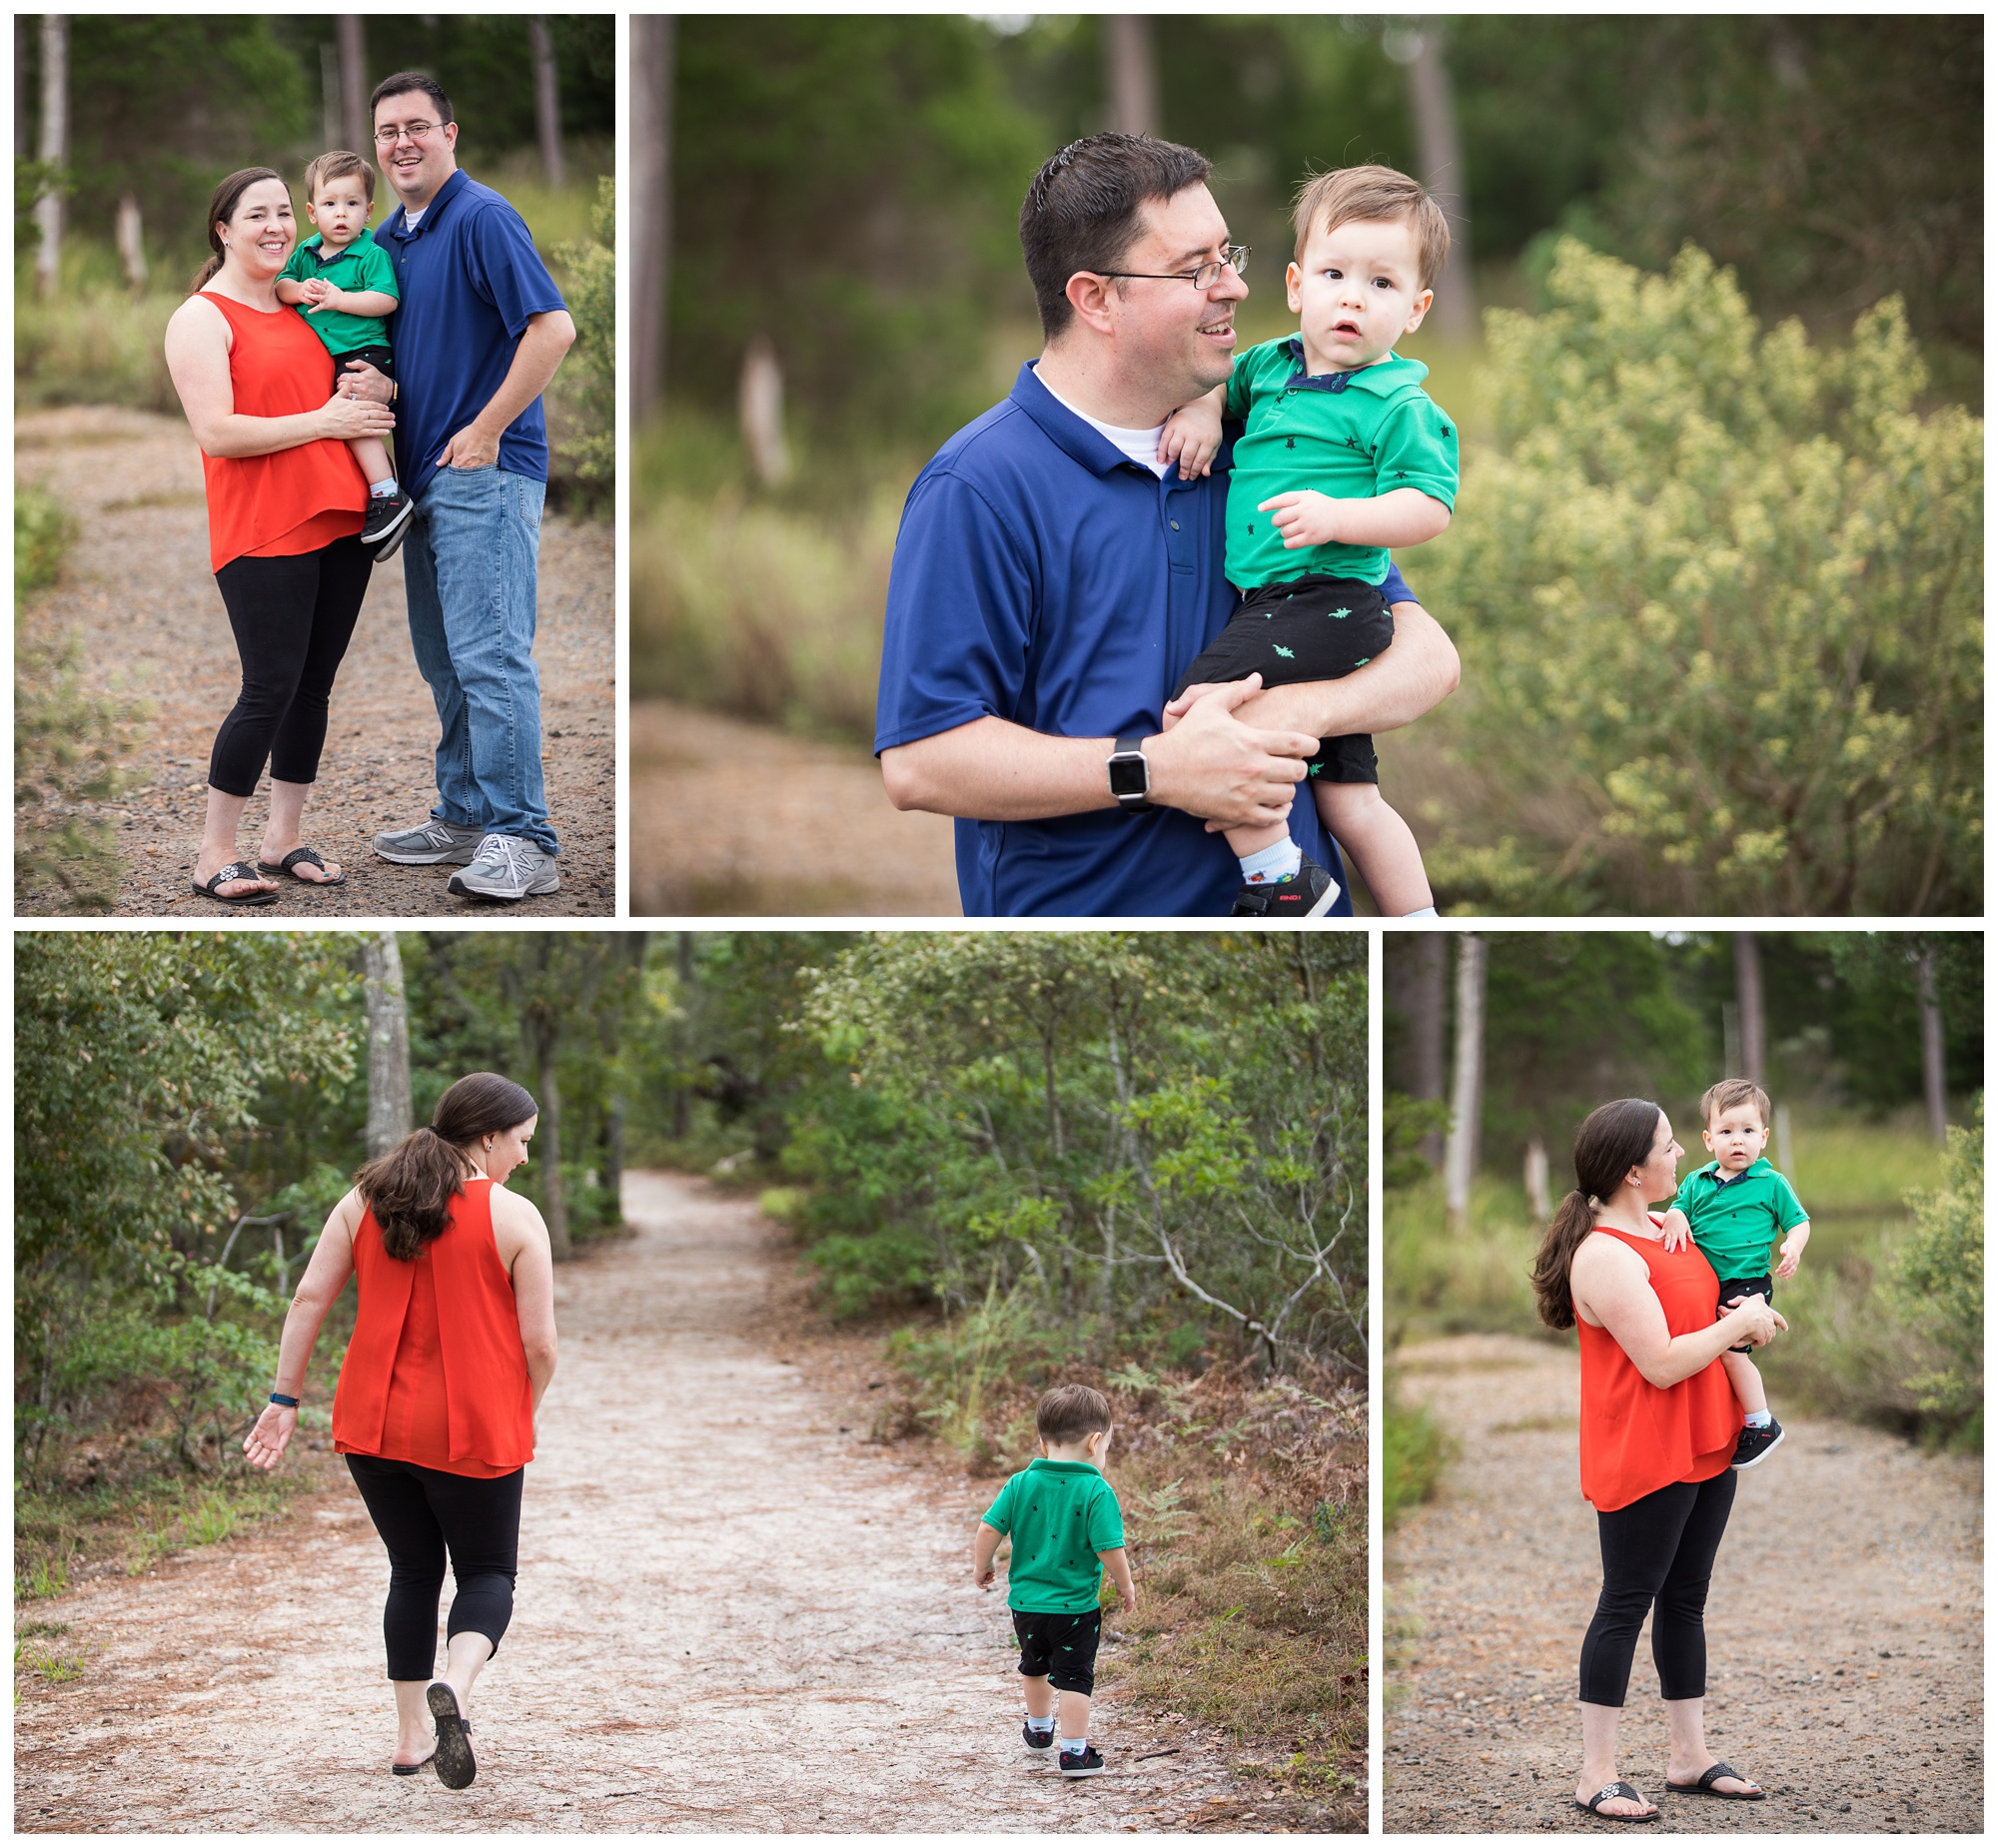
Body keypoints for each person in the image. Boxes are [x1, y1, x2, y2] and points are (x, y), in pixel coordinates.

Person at [876, 133, 1460, 919]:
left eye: (1230, 255)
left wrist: (1307, 713)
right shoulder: (977, 488)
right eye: (1197, 270)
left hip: (1310, 961)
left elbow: (1427, 657)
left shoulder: (1263, 443)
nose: (1234, 288)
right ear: (1096, 299)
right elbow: (922, 763)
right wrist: (1152, 769)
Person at [243, 1074, 558, 1790]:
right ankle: (459, 1686)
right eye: (521, 1143)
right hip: (471, 1427)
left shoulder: (364, 1200)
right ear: (487, 1138)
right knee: (486, 1573)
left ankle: (412, 1736)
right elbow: (540, 1346)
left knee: (413, 1571)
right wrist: (522, 1408)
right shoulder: (516, 1217)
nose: (524, 1158)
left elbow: (309, 1297)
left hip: (373, 1425)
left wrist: (284, 1398)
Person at [1157, 164, 1457, 916]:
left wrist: (1339, 519)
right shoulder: (1271, 366)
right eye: (1334, 273)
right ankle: (1417, 919)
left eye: (1382, 284)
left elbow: (1428, 506)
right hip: (1284, 603)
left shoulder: (1397, 403)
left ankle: (1277, 875)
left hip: (1326, 602)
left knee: (1201, 716)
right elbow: (1220, 388)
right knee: (1350, 800)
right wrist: (1199, 413)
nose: (1353, 296)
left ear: (1416, 309)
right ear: (1296, 287)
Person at [340, 71, 576, 903]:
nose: (400, 143)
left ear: (450, 133)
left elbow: (553, 328)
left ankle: (526, 840)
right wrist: (388, 395)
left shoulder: (481, 217)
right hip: (421, 481)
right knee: (444, 661)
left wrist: (486, 429)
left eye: (416, 126)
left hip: (483, 475)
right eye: (386, 132)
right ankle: (467, 813)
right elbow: (438, 353)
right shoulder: (392, 242)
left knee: (490, 655)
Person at [1529, 1098, 1783, 1822]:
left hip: (1707, 1439)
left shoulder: (1667, 1224)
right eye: (1671, 1147)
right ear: (1634, 1171)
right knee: (1625, 1602)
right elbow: (1663, 1363)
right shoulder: (1604, 1256)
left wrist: (1747, 1319)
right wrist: (1736, 1323)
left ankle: (1688, 1757)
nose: (1683, 1157)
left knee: (1686, 1598)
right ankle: (1596, 1773)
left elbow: (1705, 1306)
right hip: (1645, 1450)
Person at [164, 166, 398, 906]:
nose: (274, 227)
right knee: (268, 686)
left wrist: (378, 392)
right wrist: (325, 423)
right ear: (223, 229)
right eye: (255, 215)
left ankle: (281, 839)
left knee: (313, 688)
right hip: (262, 525)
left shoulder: (305, 302)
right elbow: (218, 432)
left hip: (340, 515)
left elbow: (355, 369)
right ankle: (214, 853)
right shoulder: (201, 317)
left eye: (281, 214)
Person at [973, 1384, 1137, 1779]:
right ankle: (1075, 1753)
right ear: (1096, 1441)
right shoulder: (1096, 1489)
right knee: (1075, 1677)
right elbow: (1109, 1548)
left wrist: (983, 1565)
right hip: (1076, 1609)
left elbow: (988, 1529)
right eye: (1107, 1448)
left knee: (1034, 1665)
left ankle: (1040, 1729)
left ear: (1043, 1444)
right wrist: (1124, 1583)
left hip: (1026, 1605)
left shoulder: (1020, 1482)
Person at [1660, 1078, 1811, 1469]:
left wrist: (1792, 1246)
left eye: (1747, 1131)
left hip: (1746, 1282)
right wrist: (1676, 1217)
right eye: (1727, 1131)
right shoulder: (1697, 1181)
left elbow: (1799, 1222)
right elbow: (1678, 1208)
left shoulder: (1771, 1183)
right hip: (1705, 1283)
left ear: (1763, 1136)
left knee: (1730, 1351)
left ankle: (1761, 1423)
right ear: (1709, 1139)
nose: (1737, 1140)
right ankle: (1712, 1422)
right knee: (1701, 1347)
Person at [276, 149, 413, 553]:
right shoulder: (305, 253)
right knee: (329, 417)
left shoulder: (370, 254)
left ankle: (387, 493)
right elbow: (281, 284)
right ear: (312, 212)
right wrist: (298, 290)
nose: (341, 214)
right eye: (330, 204)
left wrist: (339, 299)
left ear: (368, 211)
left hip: (363, 349)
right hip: (325, 355)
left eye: (351, 204)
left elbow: (386, 300)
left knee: (351, 412)